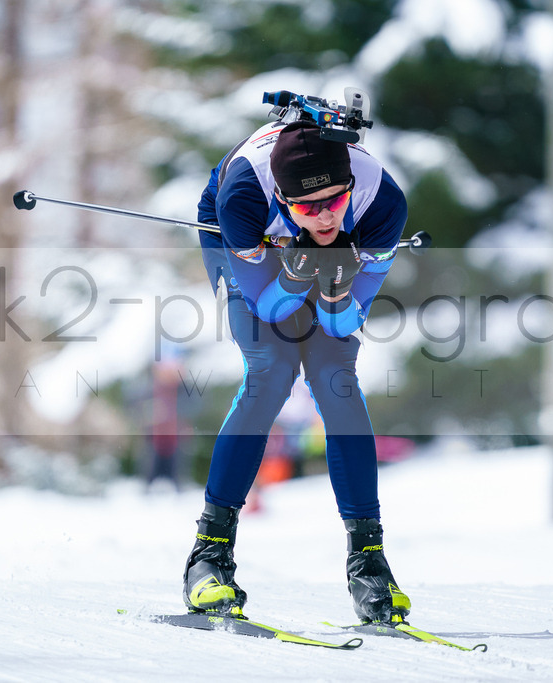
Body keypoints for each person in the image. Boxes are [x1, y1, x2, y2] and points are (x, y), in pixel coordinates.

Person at [185, 114, 411, 624]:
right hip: (243, 238)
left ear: (351, 185)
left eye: (334, 200)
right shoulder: (243, 198)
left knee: (336, 378)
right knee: (272, 369)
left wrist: (333, 290)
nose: (326, 217)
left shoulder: (381, 203)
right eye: (309, 207)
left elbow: (343, 323)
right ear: (285, 200)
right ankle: (209, 555)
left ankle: (369, 561)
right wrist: (293, 273)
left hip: (308, 247)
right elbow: (269, 310)